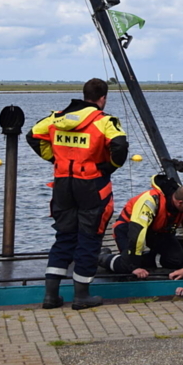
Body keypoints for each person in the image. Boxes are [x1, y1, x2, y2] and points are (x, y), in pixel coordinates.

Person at [27, 78, 128, 310]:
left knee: (64, 236)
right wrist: (110, 166)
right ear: (103, 98)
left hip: (63, 184)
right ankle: (81, 296)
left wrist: (54, 159)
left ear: (84, 95)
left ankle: (50, 296)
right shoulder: (104, 121)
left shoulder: (57, 118)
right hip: (92, 185)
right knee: (90, 238)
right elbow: (120, 146)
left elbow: (33, 135)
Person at [100, 178, 183, 278]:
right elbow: (137, 232)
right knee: (128, 267)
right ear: (180, 203)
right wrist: (133, 264)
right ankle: (102, 257)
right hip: (128, 228)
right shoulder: (151, 200)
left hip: (156, 231)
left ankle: (146, 259)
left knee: (176, 260)